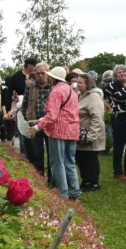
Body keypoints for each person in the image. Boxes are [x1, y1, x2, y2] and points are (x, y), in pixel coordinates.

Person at [30, 66, 80, 200]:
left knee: (58, 162)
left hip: (58, 131)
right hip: (72, 130)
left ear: (53, 78)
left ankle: (63, 194)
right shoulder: (71, 91)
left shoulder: (56, 92)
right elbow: (63, 112)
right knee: (70, 162)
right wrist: (41, 120)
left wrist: (36, 127)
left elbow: (52, 116)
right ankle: (75, 193)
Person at [75, 73, 105, 192]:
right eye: (77, 82)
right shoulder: (81, 95)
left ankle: (93, 183)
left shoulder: (93, 97)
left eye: (80, 82)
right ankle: (86, 181)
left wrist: (92, 135)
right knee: (81, 158)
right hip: (81, 133)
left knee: (90, 159)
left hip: (90, 133)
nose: (77, 84)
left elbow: (97, 117)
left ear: (87, 84)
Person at [22, 62, 52, 175]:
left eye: (43, 73)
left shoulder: (53, 87)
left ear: (48, 73)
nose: (40, 75)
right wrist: (28, 118)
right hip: (35, 124)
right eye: (38, 73)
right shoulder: (30, 87)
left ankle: (51, 179)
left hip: (50, 124)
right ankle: (40, 178)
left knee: (51, 153)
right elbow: (24, 105)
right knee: (37, 153)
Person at [104, 65, 126, 179]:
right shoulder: (111, 86)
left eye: (124, 72)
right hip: (118, 118)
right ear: (115, 74)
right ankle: (118, 172)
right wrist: (108, 107)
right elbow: (101, 97)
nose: (122, 74)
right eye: (119, 72)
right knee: (118, 146)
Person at [8, 56, 37, 153]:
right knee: (23, 135)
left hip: (34, 110)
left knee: (33, 135)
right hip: (20, 110)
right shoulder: (16, 76)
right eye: (34, 65)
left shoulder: (36, 76)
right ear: (28, 66)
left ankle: (34, 155)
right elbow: (9, 93)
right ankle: (24, 156)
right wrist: (10, 109)